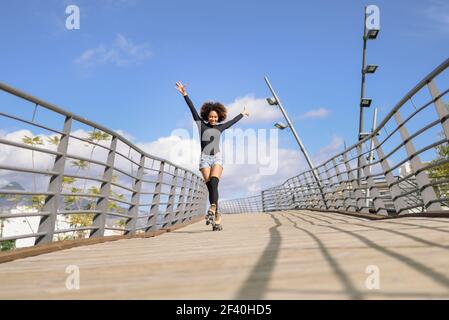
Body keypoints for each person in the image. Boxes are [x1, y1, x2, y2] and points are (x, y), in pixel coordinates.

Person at [175, 81, 249, 230]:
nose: (213, 119)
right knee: (210, 187)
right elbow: (192, 110)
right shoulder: (201, 125)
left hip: (217, 158)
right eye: (211, 117)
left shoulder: (221, 127)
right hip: (204, 159)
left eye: (216, 117)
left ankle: (213, 207)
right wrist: (185, 94)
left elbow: (233, 122)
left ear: (219, 117)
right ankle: (216, 215)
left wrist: (242, 113)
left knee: (214, 182)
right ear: (207, 117)